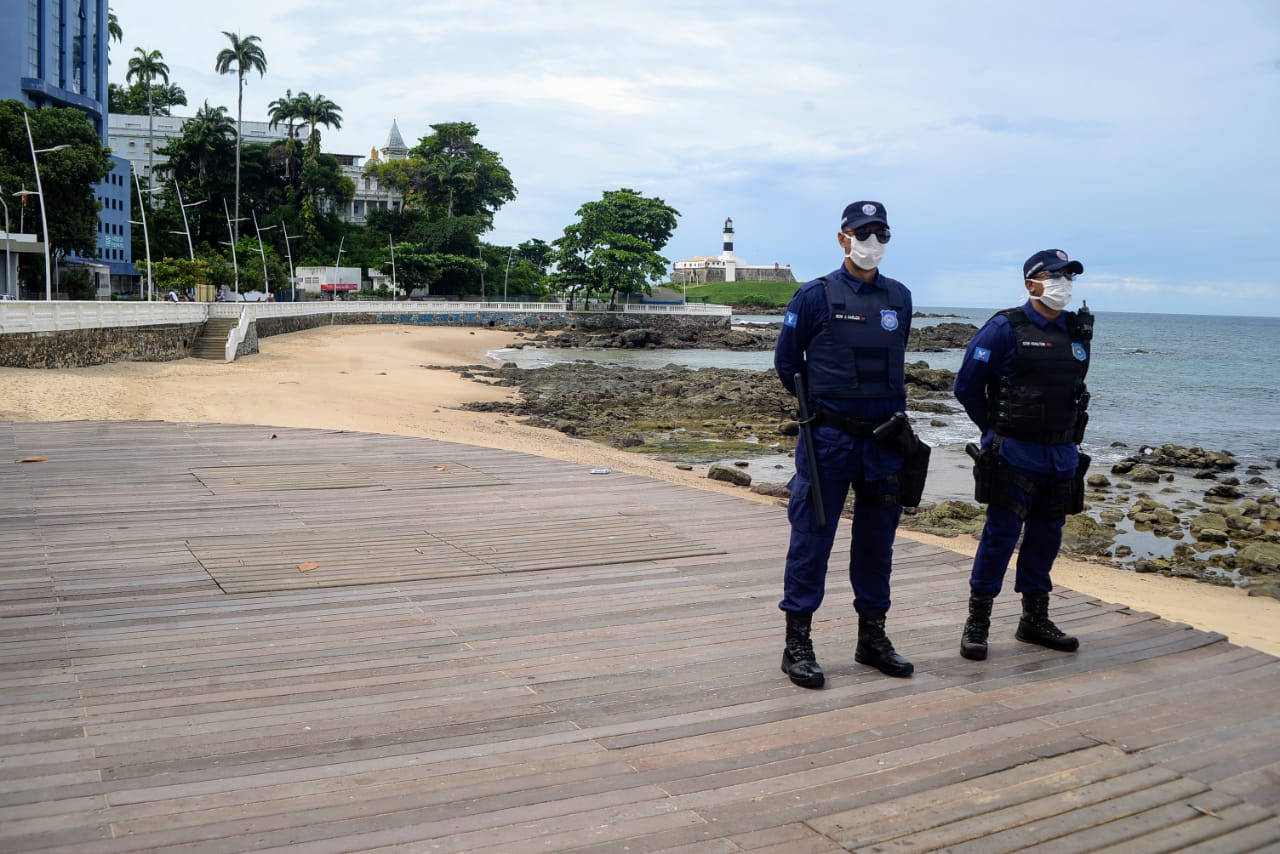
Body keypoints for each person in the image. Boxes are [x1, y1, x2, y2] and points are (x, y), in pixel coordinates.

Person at [773, 200, 918, 688]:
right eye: (863, 234)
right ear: (843, 238)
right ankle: (798, 644)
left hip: (884, 443)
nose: (872, 244)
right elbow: (787, 366)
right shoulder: (814, 296)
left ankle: (872, 638)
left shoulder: (900, 297)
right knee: (812, 541)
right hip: (830, 440)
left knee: (877, 546)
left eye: (881, 236)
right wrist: (820, 411)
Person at [953, 249, 1094, 661]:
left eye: (1068, 276)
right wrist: (993, 431)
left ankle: (1034, 620)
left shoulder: (1076, 330)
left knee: (1047, 538)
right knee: (999, 538)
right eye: (1054, 275)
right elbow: (966, 387)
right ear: (1031, 282)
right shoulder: (1004, 328)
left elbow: (1074, 386)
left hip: (1061, 454)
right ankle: (977, 624)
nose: (1062, 283)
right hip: (1013, 454)